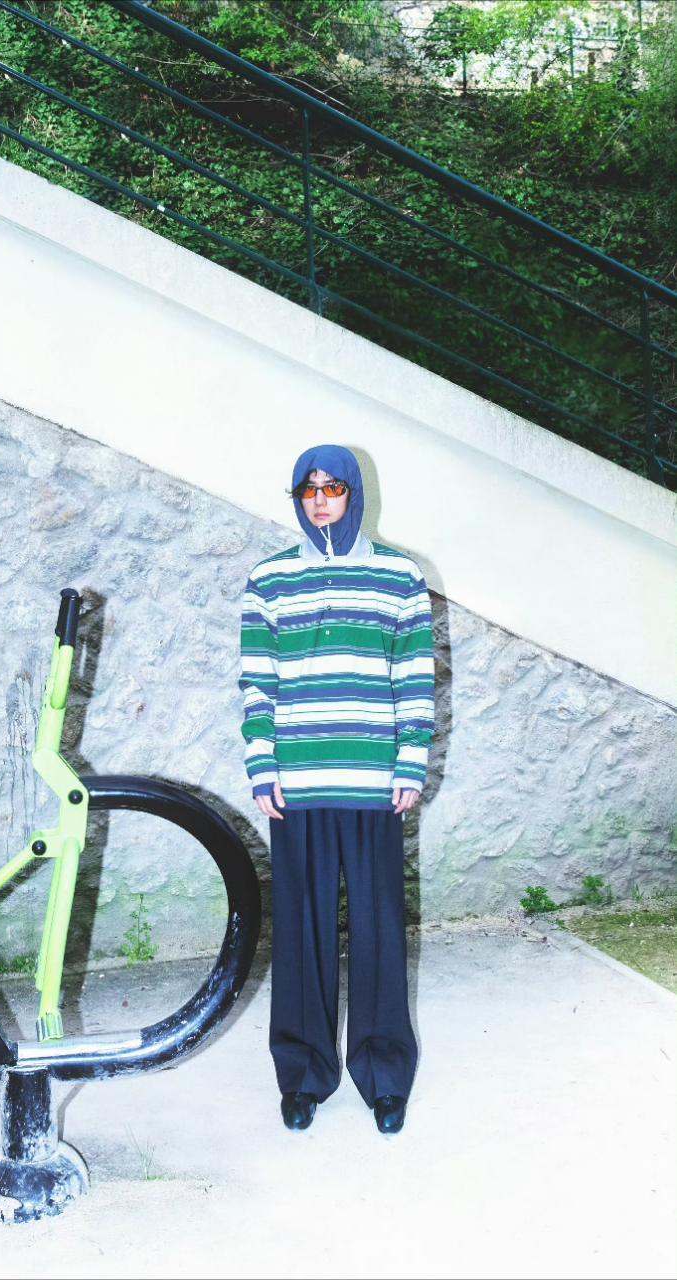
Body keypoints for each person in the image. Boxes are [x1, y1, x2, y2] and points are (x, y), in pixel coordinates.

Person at [238, 444, 434, 1134]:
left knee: (379, 931)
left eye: (333, 488)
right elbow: (257, 681)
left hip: (374, 783)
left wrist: (411, 762)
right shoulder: (269, 579)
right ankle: (303, 1076)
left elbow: (415, 675)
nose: (320, 500)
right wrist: (262, 766)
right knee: (301, 932)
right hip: (298, 786)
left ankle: (385, 1078)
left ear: (354, 493)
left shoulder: (399, 576)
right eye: (308, 489)